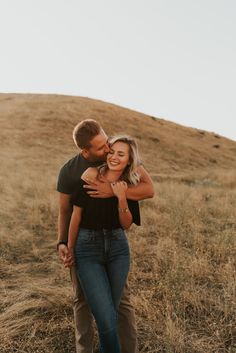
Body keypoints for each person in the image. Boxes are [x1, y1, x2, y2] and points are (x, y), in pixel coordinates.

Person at [56, 119, 154, 353]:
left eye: (107, 140)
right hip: (83, 241)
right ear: (85, 151)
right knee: (82, 299)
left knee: (121, 301)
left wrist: (113, 191)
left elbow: (148, 189)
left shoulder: (120, 157)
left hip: (115, 243)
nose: (108, 149)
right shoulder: (70, 171)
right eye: (102, 147)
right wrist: (63, 243)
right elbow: (66, 211)